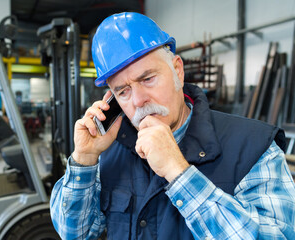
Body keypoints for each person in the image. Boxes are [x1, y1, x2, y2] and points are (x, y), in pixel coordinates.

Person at [50, 12, 295, 239]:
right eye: (122, 91)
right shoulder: (110, 152)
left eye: (147, 78)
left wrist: (179, 173)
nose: (138, 101)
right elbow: (76, 234)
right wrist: (84, 159)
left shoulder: (253, 146)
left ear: (177, 70)